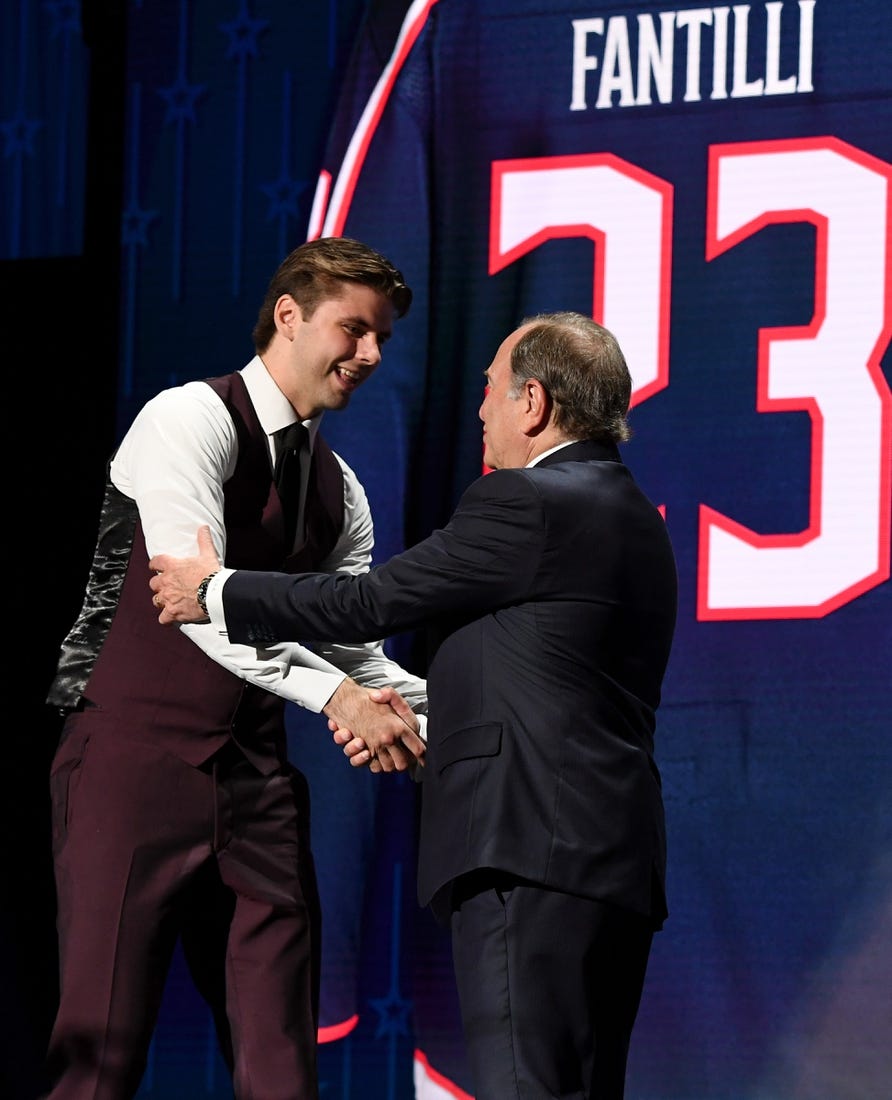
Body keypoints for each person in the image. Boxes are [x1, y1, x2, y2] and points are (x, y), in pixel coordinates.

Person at [149, 311, 679, 1100]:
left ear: (533, 402)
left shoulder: (527, 503)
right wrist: (430, 726)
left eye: (491, 390)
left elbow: (370, 601)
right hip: (609, 863)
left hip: (524, 854)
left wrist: (216, 592)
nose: (480, 411)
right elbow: (548, 682)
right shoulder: (637, 519)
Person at [43, 236, 429, 1100]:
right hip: (130, 766)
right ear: (288, 315)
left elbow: (353, 651)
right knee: (98, 1061)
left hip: (255, 787)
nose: (369, 355)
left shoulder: (342, 491)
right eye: (354, 329)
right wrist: (339, 696)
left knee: (281, 1070)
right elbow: (192, 607)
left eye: (382, 341)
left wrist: (447, 718)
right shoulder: (186, 419)